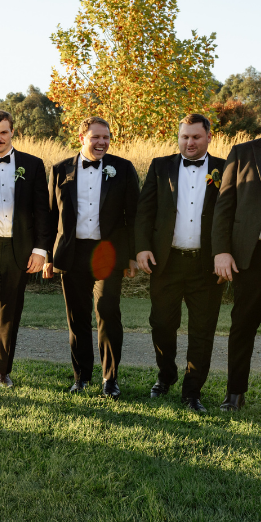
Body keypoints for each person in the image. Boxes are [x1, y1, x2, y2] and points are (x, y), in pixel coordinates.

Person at [44, 117, 139, 399]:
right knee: (77, 319)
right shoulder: (61, 169)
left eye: (106, 137)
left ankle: (110, 379)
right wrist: (49, 256)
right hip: (72, 253)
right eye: (96, 137)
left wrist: (132, 256)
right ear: (81, 137)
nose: (102, 142)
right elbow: (51, 217)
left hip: (107, 252)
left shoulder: (123, 168)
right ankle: (81, 377)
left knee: (108, 312)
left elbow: (133, 216)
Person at [135, 115, 225, 412]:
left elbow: (232, 215)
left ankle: (192, 391)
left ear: (209, 137)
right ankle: (166, 375)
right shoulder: (161, 166)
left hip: (206, 266)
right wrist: (142, 249)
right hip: (166, 262)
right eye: (185, 137)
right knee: (161, 324)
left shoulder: (224, 169)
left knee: (202, 330)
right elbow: (144, 212)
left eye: (196, 137)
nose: (189, 143)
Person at [0, 109, 52, 398]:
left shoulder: (33, 165)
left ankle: (4, 369)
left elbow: (43, 212)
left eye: (3, 132)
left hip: (20, 250)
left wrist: (41, 250)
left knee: (10, 316)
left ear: (12, 131)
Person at [212, 134, 261, 411]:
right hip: (252, 255)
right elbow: (225, 204)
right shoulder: (243, 152)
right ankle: (235, 393)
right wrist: (222, 250)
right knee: (243, 325)